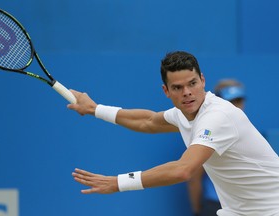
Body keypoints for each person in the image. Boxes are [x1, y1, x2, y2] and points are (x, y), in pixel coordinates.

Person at [68, 51, 279, 216]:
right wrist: (95, 109)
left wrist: (118, 183)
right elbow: (148, 121)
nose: (187, 92)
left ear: (203, 81)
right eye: (177, 87)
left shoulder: (218, 116)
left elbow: (183, 169)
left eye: (192, 83)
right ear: (166, 91)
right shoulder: (183, 113)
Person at [187, 79, 246, 216]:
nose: (236, 106)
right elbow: (194, 177)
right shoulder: (207, 133)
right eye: (231, 101)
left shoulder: (245, 131)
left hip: (245, 208)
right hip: (216, 206)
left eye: (239, 101)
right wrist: (197, 211)